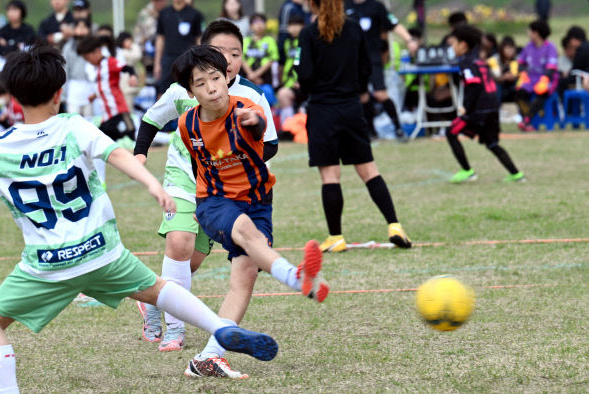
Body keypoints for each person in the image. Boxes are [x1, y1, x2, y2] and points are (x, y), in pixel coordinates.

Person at [0, 45, 280, 393]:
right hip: (101, 252)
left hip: (46, 266)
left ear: (12, 98)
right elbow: (117, 154)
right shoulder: (74, 127)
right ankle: (219, 328)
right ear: (59, 93)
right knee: (159, 289)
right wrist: (153, 184)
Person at [174, 45, 329, 378]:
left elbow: (258, 129)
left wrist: (256, 122)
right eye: (201, 83)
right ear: (190, 92)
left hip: (258, 201)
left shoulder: (248, 110)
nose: (211, 87)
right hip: (215, 203)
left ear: (227, 77)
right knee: (249, 234)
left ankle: (207, 358)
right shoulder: (187, 125)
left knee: (243, 280)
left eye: (216, 78)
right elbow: (196, 162)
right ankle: (295, 277)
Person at [132, 20, 279, 360]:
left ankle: (154, 301)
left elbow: (269, 144)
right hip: (184, 176)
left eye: (235, 53)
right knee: (179, 242)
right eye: (220, 52)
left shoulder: (252, 97)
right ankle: (176, 329)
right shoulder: (185, 89)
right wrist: (140, 152)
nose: (227, 60)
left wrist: (240, 154)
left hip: (227, 189)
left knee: (192, 261)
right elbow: (152, 119)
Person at [296, 0, 412, 253]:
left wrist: (311, 88)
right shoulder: (354, 28)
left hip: (323, 110)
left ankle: (336, 237)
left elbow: (303, 73)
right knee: (369, 170)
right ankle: (394, 225)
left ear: (313, 5)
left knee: (330, 176)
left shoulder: (308, 33)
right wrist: (356, 90)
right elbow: (366, 66)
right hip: (351, 108)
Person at [446, 25, 525, 184]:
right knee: (492, 143)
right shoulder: (480, 61)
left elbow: (473, 86)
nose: (452, 48)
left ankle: (467, 171)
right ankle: (516, 174)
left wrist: (465, 107)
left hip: (478, 110)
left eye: (453, 44)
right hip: (491, 107)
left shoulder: (466, 62)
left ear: (463, 44)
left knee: (451, 132)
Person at [345, 0, 419, 140]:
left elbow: (394, 24)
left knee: (381, 94)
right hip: (353, 59)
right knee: (362, 97)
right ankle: (371, 131)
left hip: (372, 58)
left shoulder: (377, 6)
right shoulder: (344, 5)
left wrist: (409, 40)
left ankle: (398, 128)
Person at [76, 35, 137, 144]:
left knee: (134, 137)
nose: (88, 61)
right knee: (99, 143)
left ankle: (166, 139)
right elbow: (105, 87)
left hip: (119, 112)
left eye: (87, 58)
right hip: (107, 117)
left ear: (97, 51)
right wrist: (94, 96)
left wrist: (132, 76)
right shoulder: (98, 68)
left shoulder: (110, 62)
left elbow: (127, 68)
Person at [516, 20, 558, 132]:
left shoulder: (550, 47)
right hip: (530, 79)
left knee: (541, 93)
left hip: (546, 79)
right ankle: (529, 118)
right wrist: (523, 73)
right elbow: (520, 63)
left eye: (529, 31)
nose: (528, 33)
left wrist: (544, 80)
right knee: (519, 92)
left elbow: (551, 68)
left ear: (536, 33)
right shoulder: (528, 47)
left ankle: (527, 120)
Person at [154, 0, 204, 95]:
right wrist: (157, 63)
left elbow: (199, 39)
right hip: (168, 59)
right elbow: (160, 39)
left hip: (188, 60)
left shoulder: (195, 14)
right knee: (163, 91)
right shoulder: (164, 13)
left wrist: (200, 60)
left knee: (189, 89)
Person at [276, 15, 306, 125]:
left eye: (297, 25)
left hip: (304, 83)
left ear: (303, 26)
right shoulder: (287, 42)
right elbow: (283, 63)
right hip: (289, 83)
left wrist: (302, 80)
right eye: (291, 25)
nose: (293, 28)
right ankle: (288, 128)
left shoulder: (306, 41)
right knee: (282, 94)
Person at [242, 13, 278, 105]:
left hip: (265, 79)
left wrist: (256, 75)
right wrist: (251, 75)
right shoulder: (245, 41)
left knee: (267, 100)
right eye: (255, 22)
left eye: (261, 22)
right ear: (250, 26)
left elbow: (271, 60)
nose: (259, 25)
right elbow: (242, 59)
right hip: (247, 78)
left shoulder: (270, 40)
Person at [61, 18, 95, 116]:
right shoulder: (68, 47)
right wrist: (64, 94)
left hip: (90, 88)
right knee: (73, 120)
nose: (80, 31)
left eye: (84, 27)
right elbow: (65, 70)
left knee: (90, 122)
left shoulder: (94, 47)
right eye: (78, 27)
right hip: (74, 88)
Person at [0, 0, 36, 73]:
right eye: (9, 10)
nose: (11, 13)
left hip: (23, 68)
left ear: (22, 11)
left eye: (15, 9)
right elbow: (0, 50)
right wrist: (16, 45)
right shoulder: (2, 31)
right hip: (4, 69)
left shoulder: (28, 30)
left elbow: (27, 48)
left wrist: (7, 44)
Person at [134, 0, 167, 84]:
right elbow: (151, 34)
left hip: (165, 54)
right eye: (158, 1)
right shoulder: (145, 14)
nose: (161, 3)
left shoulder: (168, 12)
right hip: (148, 53)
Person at [491, 36, 520, 103]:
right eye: (507, 48)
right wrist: (504, 77)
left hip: (514, 85)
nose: (510, 51)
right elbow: (494, 76)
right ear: (502, 49)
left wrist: (515, 76)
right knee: (496, 86)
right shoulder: (495, 59)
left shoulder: (518, 59)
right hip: (501, 85)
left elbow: (522, 74)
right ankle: (496, 107)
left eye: (512, 48)